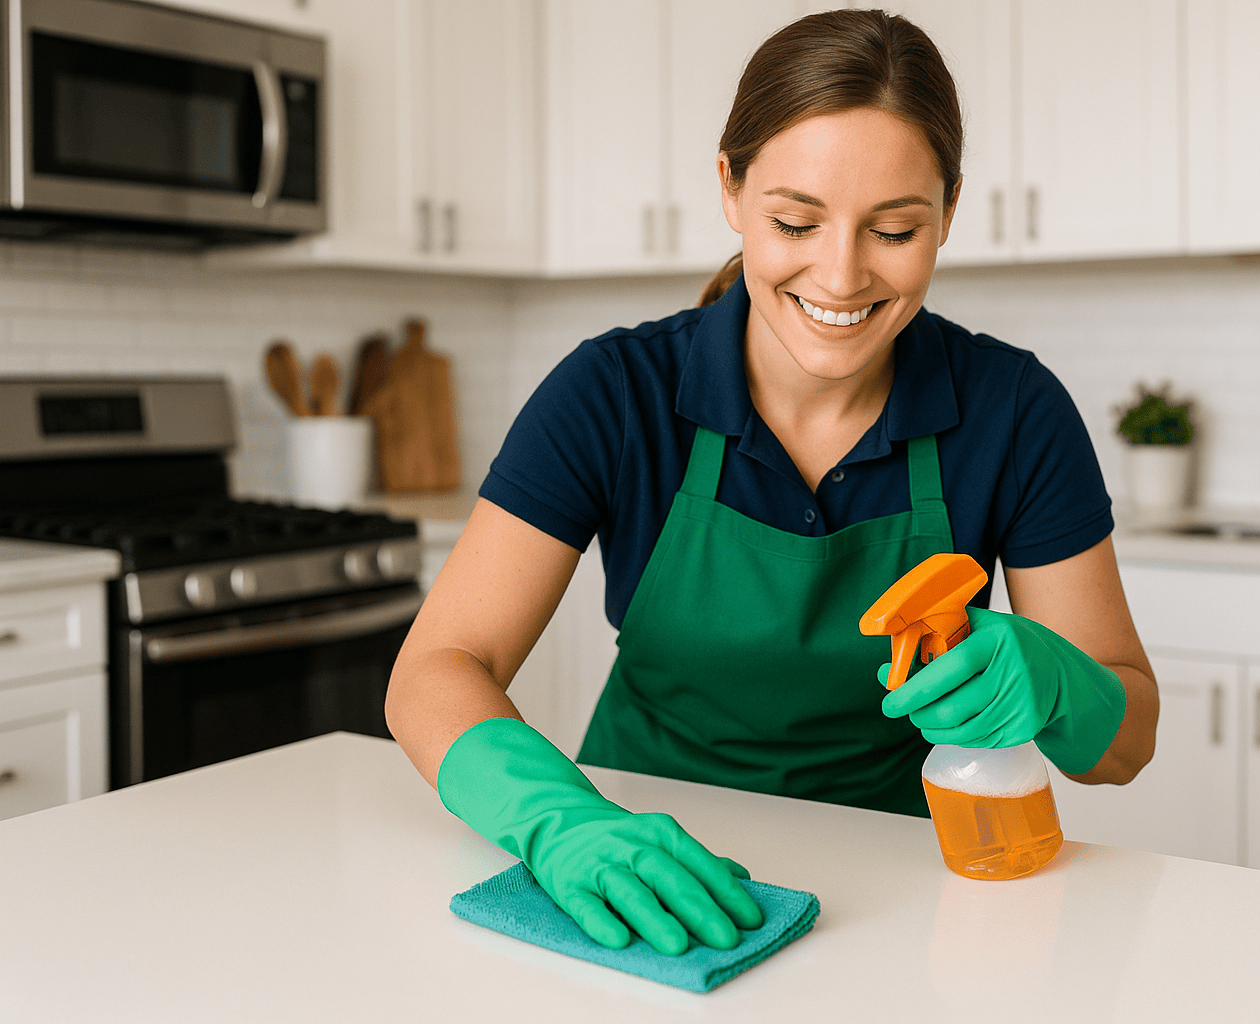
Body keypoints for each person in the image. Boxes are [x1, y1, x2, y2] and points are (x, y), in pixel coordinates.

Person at [386, 9, 1158, 958]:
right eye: (796, 221)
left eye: (896, 229)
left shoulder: (1013, 410)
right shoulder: (616, 392)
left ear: (950, 212)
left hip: (904, 891)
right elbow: (433, 671)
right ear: (730, 188)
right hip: (640, 860)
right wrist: (562, 825)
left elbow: (1125, 746)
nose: (840, 274)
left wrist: (1054, 685)